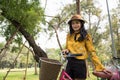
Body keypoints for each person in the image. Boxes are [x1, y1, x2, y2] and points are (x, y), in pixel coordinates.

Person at [62, 14, 111, 80]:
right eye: (73, 23)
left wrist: (100, 67)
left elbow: (92, 52)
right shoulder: (69, 35)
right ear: (71, 25)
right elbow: (67, 47)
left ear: (81, 24)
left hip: (80, 64)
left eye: (77, 23)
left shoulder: (86, 36)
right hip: (70, 62)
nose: (75, 25)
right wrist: (66, 50)